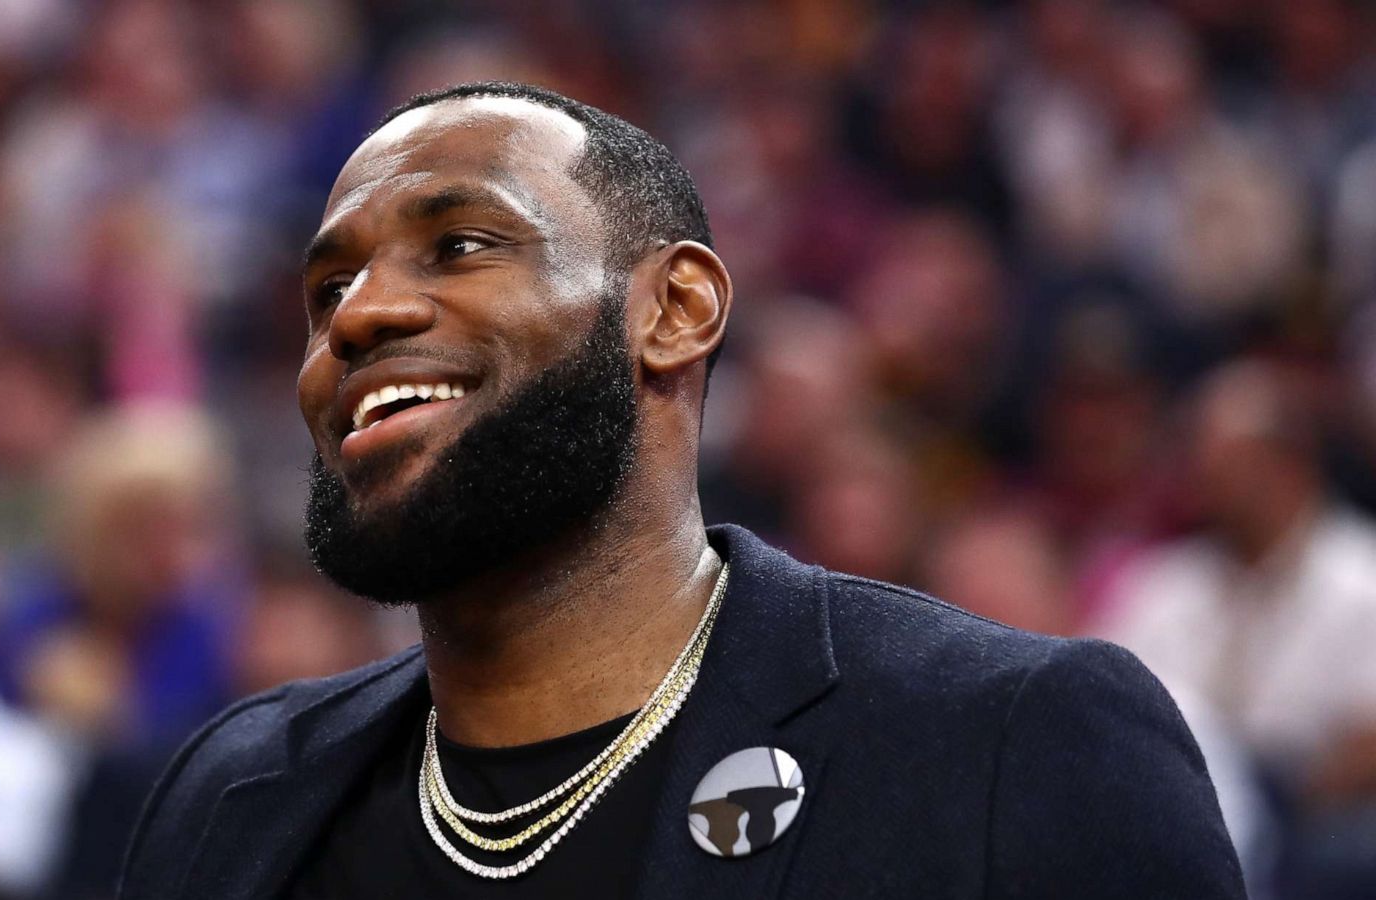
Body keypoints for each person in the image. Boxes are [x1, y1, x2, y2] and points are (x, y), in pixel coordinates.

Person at [119, 82, 1244, 899]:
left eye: (460, 244)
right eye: (327, 289)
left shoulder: (1004, 742)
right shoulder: (230, 796)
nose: (355, 316)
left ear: (675, 311)